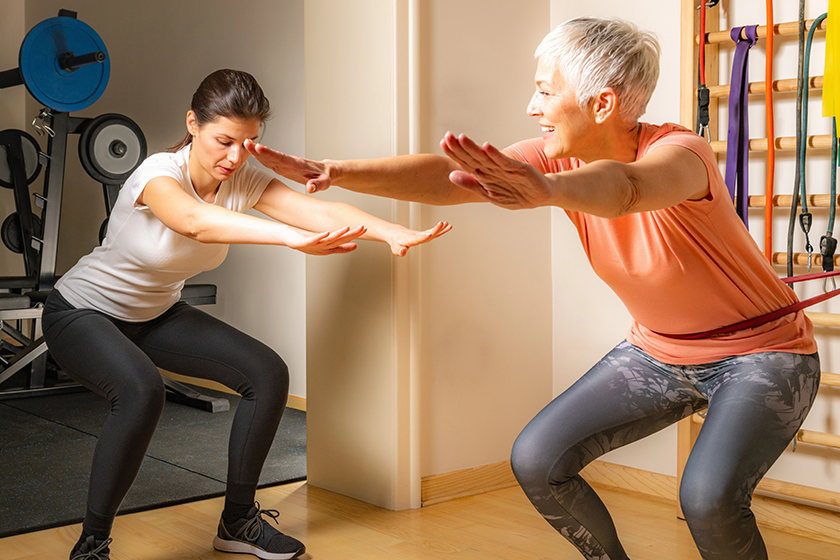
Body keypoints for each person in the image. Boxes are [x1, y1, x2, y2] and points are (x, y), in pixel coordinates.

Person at [243, 16, 820, 560]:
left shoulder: (680, 154)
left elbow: (626, 189)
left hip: (762, 354)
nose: (532, 107)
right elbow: (447, 179)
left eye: (546, 92)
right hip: (660, 351)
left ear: (602, 104)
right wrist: (339, 171)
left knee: (707, 499)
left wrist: (546, 189)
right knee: (538, 458)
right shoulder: (552, 160)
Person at [44, 68, 450, 560]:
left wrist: (387, 230)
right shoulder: (157, 173)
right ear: (192, 124)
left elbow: (316, 214)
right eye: (224, 140)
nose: (235, 157)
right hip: (82, 311)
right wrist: (289, 240)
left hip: (154, 314)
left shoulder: (243, 179)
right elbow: (194, 222)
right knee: (140, 392)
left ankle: (238, 522)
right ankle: (91, 545)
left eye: (249, 143)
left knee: (266, 372)